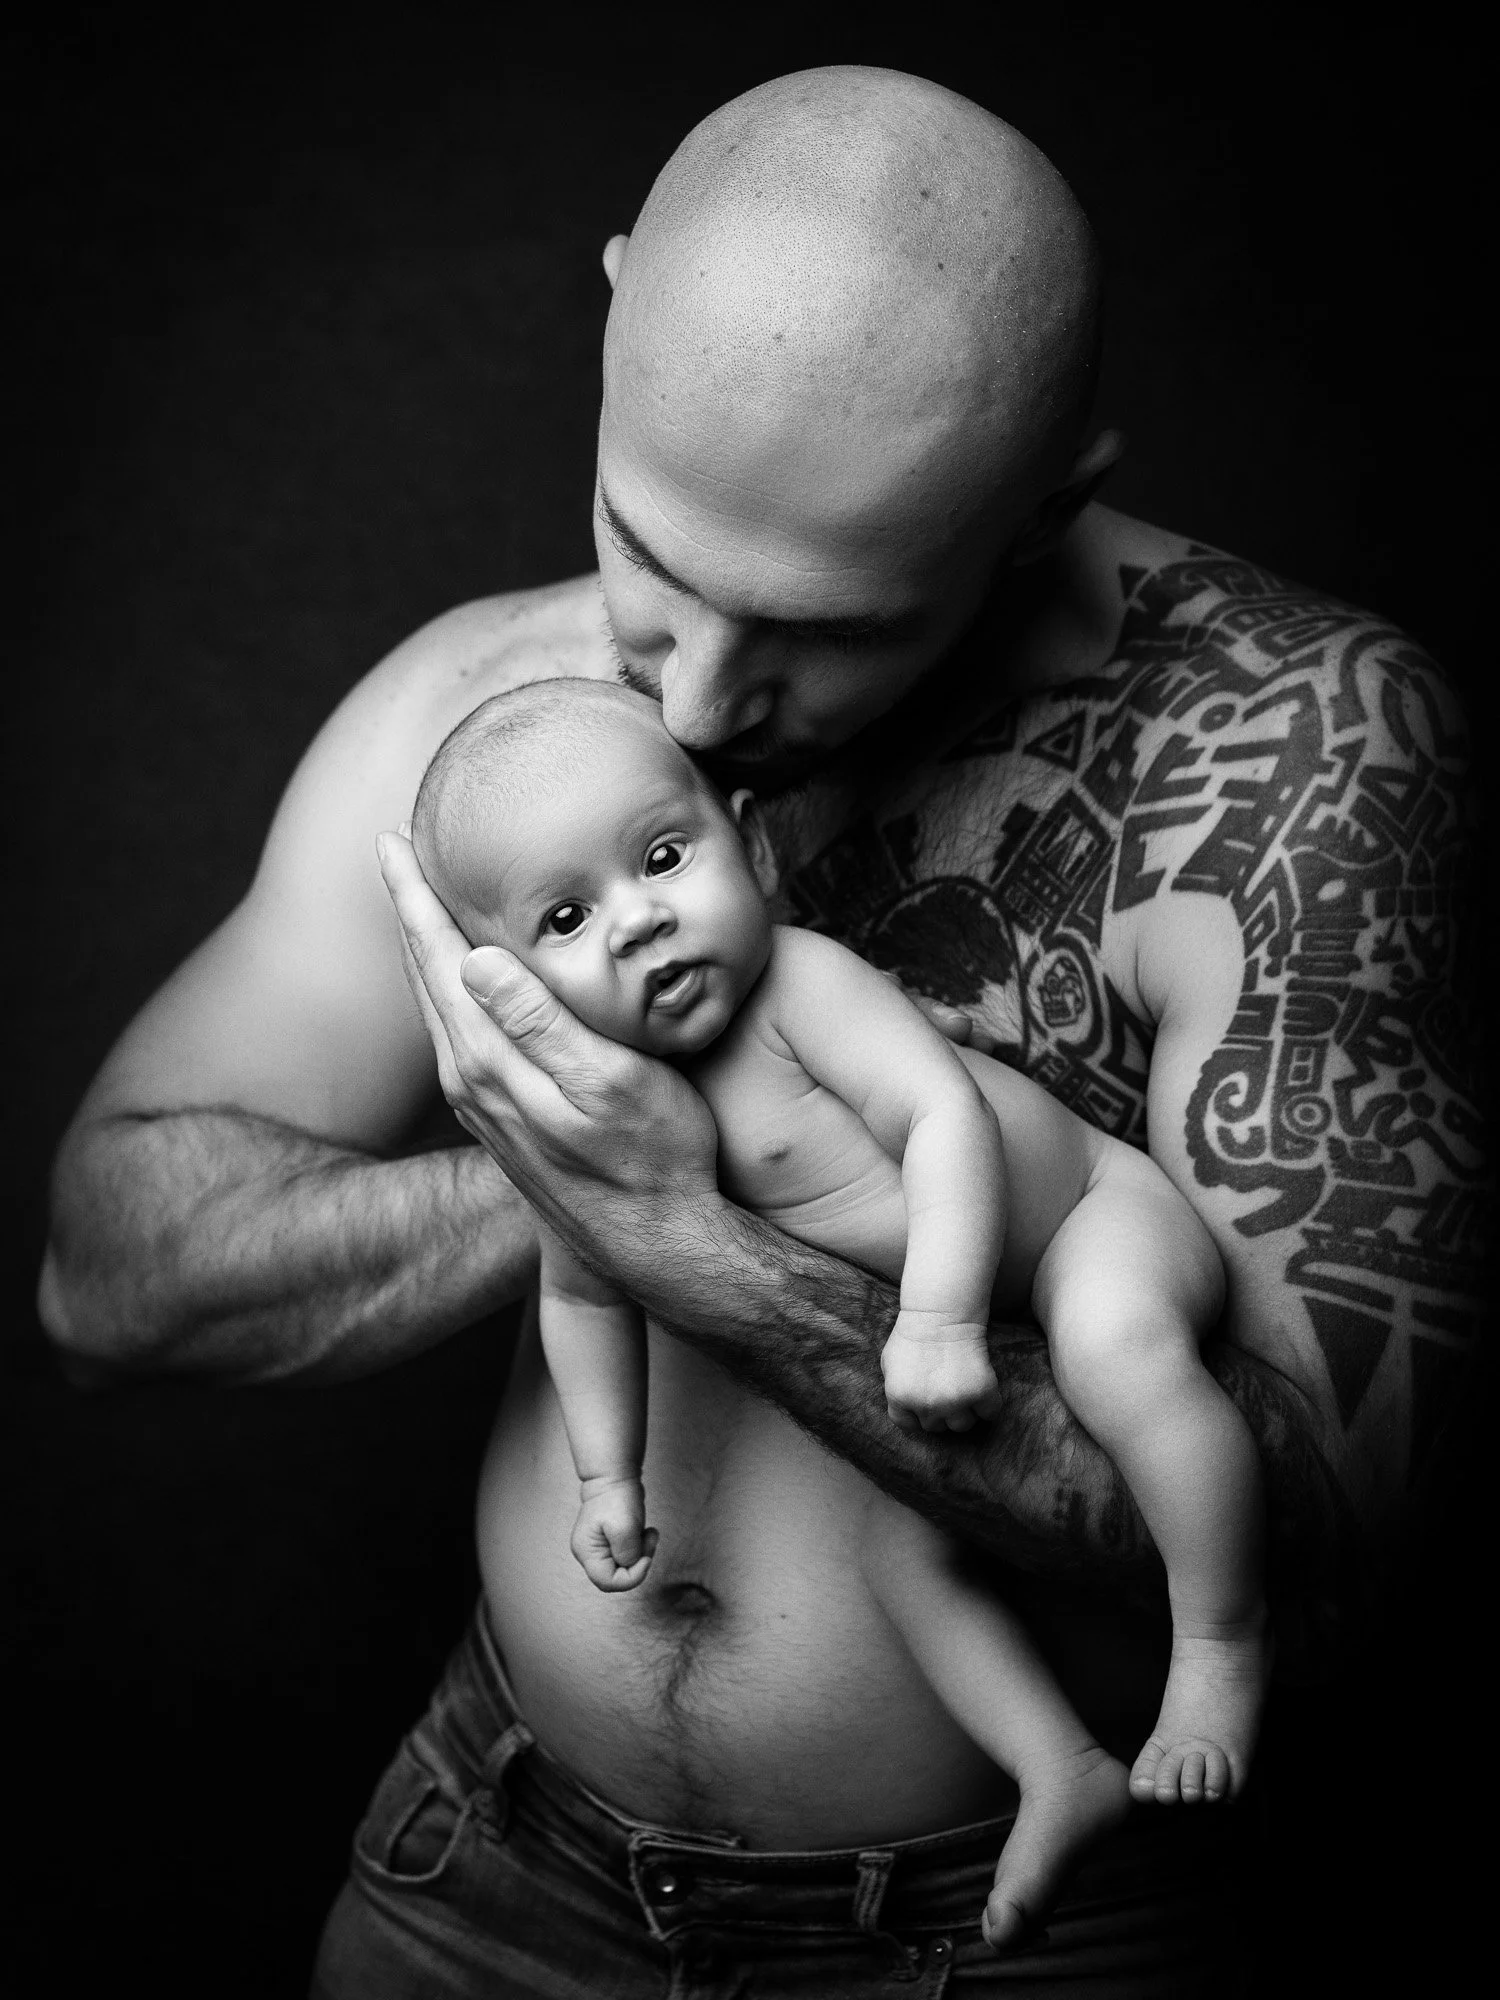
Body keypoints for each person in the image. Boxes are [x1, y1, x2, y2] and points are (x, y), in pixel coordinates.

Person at [39, 65, 1481, 1998]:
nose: (704, 703)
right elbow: (111, 1273)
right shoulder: (490, 722)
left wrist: (687, 1236)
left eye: (826, 627)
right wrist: (560, 1163)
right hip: (495, 1868)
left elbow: (1329, 1562)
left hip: (1029, 1933)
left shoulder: (1286, 767)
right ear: (617, 313)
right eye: (650, 559)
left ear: (1046, 502)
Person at [414, 676, 1265, 1863]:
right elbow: (581, 1286)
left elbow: (943, 1118)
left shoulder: (798, 985)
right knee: (904, 1554)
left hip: (1082, 1224)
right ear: (496, 990)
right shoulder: (584, 1125)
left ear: (751, 846)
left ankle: (1222, 1640)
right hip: (964, 1310)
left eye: (663, 855)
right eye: (563, 920)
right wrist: (607, 1476)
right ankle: (1058, 1768)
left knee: (1117, 1350)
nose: (636, 919)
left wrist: (939, 1316)